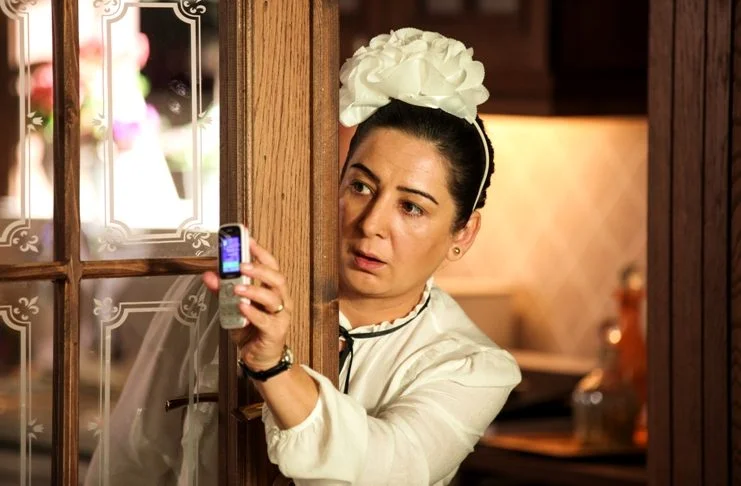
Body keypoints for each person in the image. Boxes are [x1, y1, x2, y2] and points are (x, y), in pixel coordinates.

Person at [84, 27, 520, 486]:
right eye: (360, 186)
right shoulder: (240, 295)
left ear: (463, 233)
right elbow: (131, 457)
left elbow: (387, 467)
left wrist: (272, 367)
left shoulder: (471, 367)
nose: (371, 223)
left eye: (411, 207)